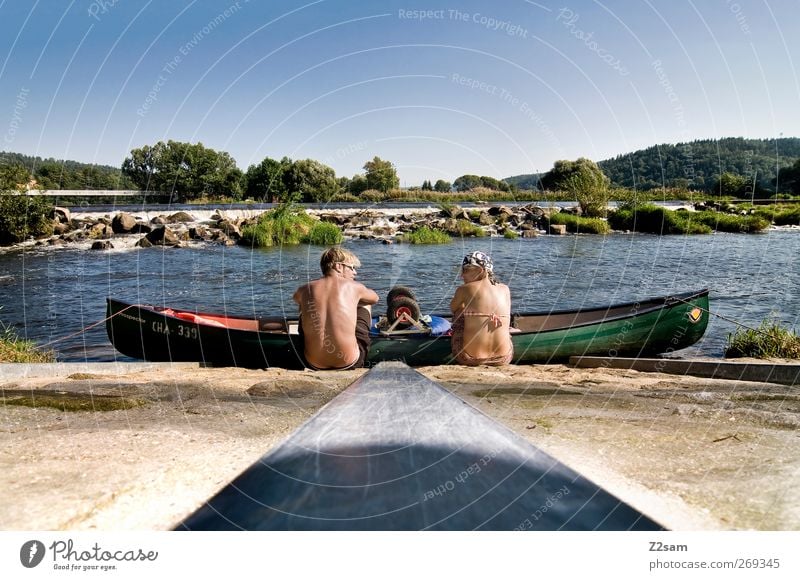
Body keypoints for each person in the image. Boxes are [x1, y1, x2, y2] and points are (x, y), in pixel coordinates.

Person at [292, 247, 379, 370]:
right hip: (349, 363)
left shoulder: (305, 288)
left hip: (312, 363)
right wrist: (353, 301)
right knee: (365, 303)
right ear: (338, 266)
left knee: (304, 306)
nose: (355, 273)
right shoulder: (354, 286)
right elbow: (375, 298)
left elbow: (296, 298)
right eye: (352, 268)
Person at [450, 251, 513, 366]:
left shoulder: (464, 289)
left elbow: (453, 308)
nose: (462, 275)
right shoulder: (505, 289)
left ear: (480, 270)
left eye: (466, 270)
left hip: (469, 358)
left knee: (459, 312)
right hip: (504, 358)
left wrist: (468, 310)